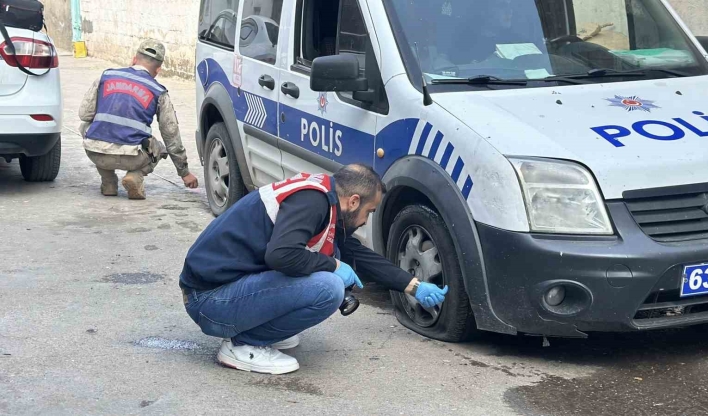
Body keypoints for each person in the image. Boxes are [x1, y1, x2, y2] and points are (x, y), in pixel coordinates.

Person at [179, 164, 449, 374]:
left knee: (335, 257)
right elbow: (281, 255)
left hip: (218, 291)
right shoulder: (312, 201)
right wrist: (332, 265)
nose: (366, 220)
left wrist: (412, 285)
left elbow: (358, 254)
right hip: (208, 300)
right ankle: (243, 344)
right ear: (353, 201)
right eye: (369, 211)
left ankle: (256, 332)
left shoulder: (323, 196)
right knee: (328, 288)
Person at [78, 39, 199, 199]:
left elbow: (84, 114)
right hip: (133, 157)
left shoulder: (106, 76)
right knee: (161, 147)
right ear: (158, 70)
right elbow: (171, 135)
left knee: (86, 126)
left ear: (134, 59)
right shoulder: (158, 91)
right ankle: (135, 176)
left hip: (97, 153)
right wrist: (184, 173)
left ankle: (108, 181)